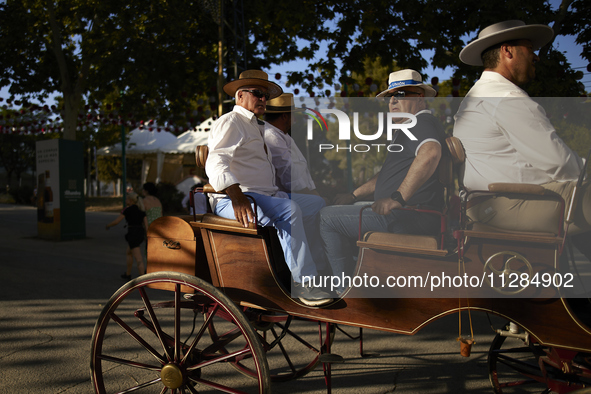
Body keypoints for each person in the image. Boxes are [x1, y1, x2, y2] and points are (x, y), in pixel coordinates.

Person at [453, 20, 591, 254]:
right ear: (507, 51)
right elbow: (561, 164)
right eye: (530, 49)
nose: (536, 57)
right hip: (511, 205)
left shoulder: (475, 96)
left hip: (487, 206)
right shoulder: (506, 97)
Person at [205, 69, 332, 306]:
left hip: (263, 195)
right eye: (257, 94)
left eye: (265, 95)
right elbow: (215, 160)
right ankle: (305, 283)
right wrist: (237, 196)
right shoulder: (231, 121)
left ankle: (320, 271)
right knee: (289, 210)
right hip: (235, 199)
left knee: (317, 204)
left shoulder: (256, 125)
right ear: (240, 96)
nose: (263, 99)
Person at [320, 69, 447, 292]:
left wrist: (398, 198)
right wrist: (353, 195)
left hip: (409, 216)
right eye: (390, 96)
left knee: (326, 218)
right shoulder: (409, 127)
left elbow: (430, 153)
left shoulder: (421, 122)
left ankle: (343, 292)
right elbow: (384, 176)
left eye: (401, 94)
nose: (393, 101)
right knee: (344, 208)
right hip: (407, 213)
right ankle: (359, 279)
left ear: (419, 97)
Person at [264, 92, 328, 272]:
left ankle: (320, 265)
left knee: (320, 204)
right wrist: (314, 195)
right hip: (287, 196)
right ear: (285, 116)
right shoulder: (272, 135)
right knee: (317, 207)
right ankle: (318, 268)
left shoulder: (281, 135)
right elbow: (289, 175)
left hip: (297, 193)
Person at [106, 192, 148, 280]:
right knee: (129, 252)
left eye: (127, 199)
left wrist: (108, 225)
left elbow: (116, 221)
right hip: (139, 233)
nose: (125, 200)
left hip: (132, 233)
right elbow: (146, 225)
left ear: (131, 200)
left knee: (138, 256)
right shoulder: (142, 210)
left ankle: (142, 278)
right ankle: (128, 273)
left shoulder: (127, 210)